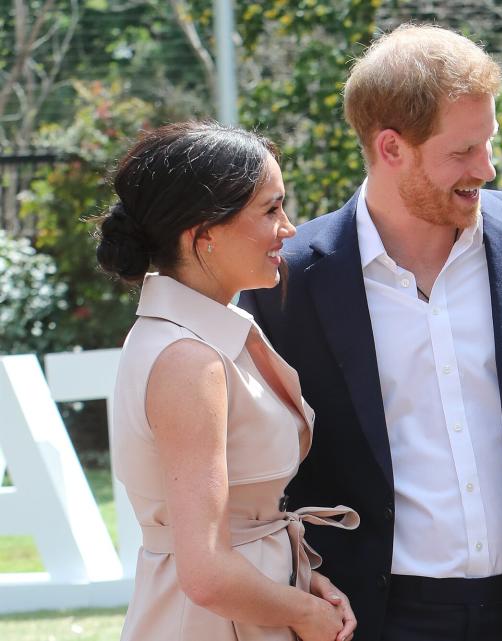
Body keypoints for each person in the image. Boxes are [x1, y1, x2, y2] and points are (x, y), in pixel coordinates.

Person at [239, 24, 502, 641]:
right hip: (371, 615)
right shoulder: (288, 278)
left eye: (488, 143)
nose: (485, 168)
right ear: (391, 148)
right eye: (463, 152)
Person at [98, 122, 359, 641]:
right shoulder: (187, 358)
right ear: (204, 234)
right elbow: (208, 572)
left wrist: (300, 584)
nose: (289, 228)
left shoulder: (202, 335)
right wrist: (306, 615)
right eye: (270, 209)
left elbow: (234, 533)